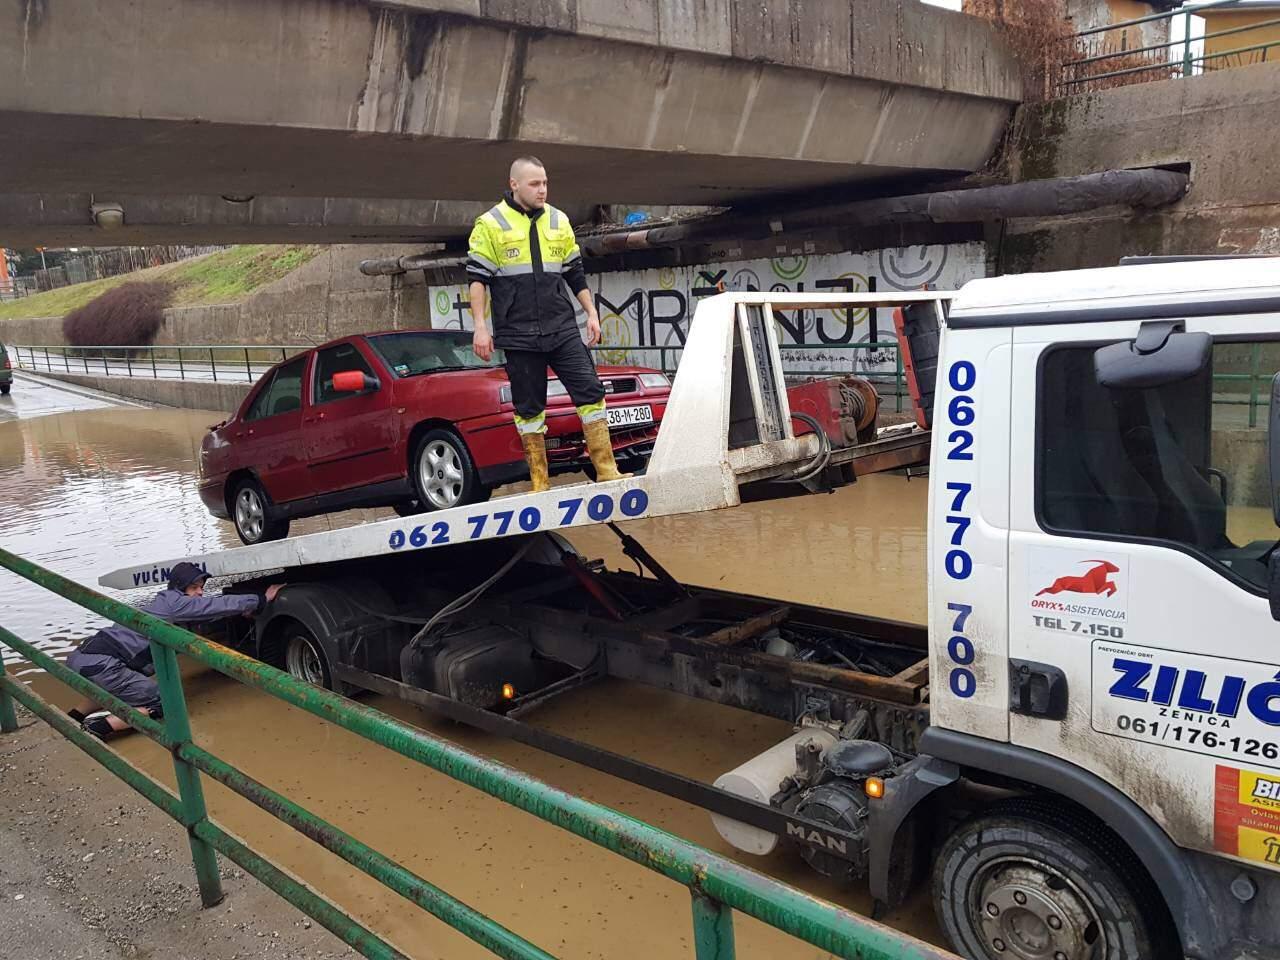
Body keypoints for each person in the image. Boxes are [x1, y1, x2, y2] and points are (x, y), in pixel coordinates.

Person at [466, 155, 630, 492]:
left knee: (590, 392)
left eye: (545, 183)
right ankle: (540, 483)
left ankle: (606, 470)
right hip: (518, 334)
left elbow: (574, 272)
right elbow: (477, 281)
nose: (542, 190)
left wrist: (592, 313)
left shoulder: (559, 220)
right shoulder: (490, 224)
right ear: (515, 185)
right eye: (534, 184)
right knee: (529, 409)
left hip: (562, 328)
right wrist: (480, 328)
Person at [66, 562, 281, 739]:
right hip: (105, 664)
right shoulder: (176, 604)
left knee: (111, 688)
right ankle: (97, 729)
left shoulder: (168, 604)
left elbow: (201, 616)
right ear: (180, 587)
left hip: (85, 657)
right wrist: (260, 599)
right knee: (165, 701)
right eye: (195, 587)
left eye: (202, 587)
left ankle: (73, 717)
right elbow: (216, 605)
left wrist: (240, 612)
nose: (201, 592)